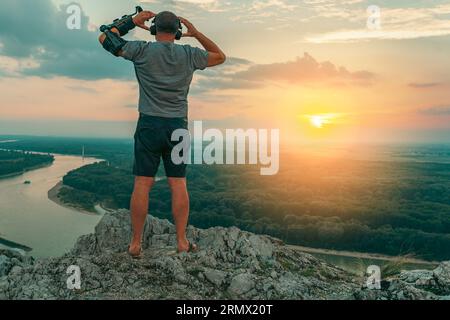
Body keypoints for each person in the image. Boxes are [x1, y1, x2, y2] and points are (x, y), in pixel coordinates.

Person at [98, 10, 226, 257]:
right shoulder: (190, 54)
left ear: (154, 30)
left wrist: (132, 22)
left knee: (142, 184)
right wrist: (196, 34)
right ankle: (181, 241)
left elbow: (105, 38)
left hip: (149, 124)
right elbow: (220, 56)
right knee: (178, 184)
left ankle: (135, 244)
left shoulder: (142, 50)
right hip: (177, 125)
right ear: (178, 33)